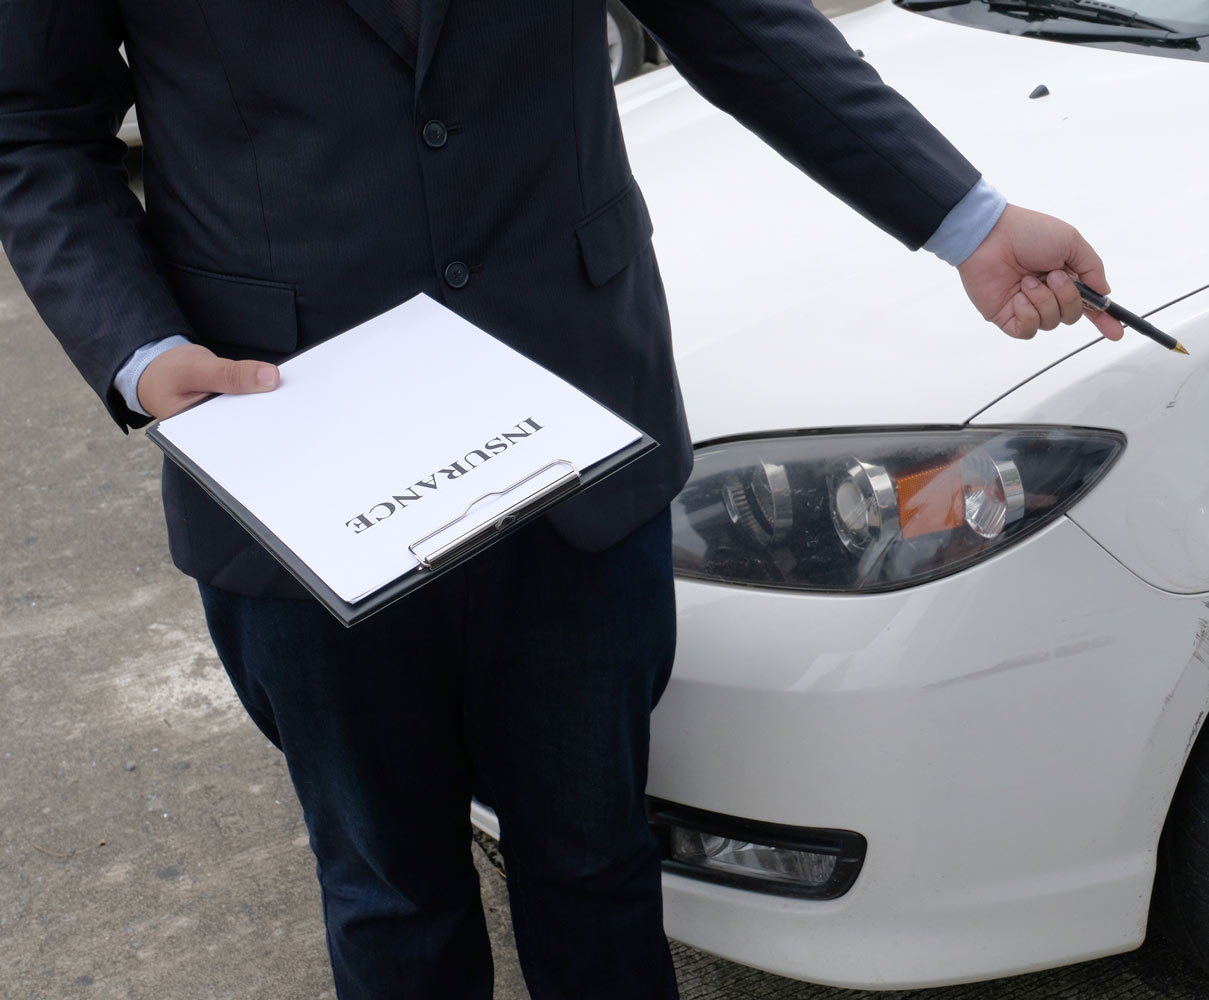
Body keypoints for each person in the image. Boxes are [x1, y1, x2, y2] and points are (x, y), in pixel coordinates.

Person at [0, 1, 1124, 998]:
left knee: (595, 863)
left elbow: (736, 26)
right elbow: (35, 127)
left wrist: (968, 222)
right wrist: (138, 351)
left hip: (576, 440)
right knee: (391, 897)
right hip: (297, 470)